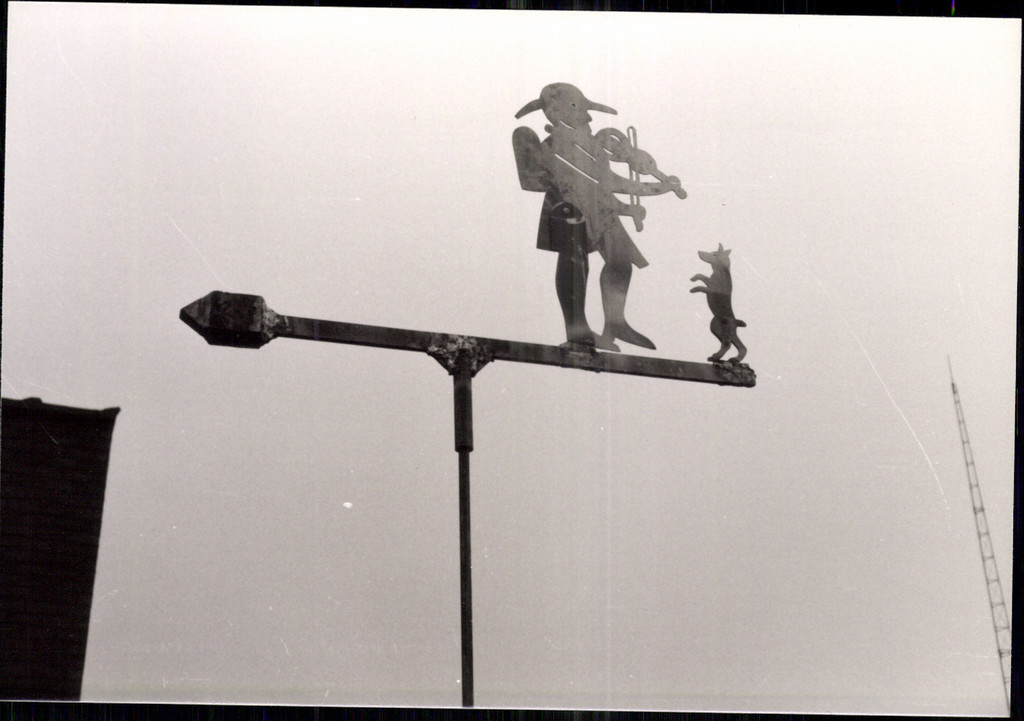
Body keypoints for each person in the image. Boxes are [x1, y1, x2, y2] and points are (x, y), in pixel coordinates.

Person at [513, 83, 686, 351]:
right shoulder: (556, 146)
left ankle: (616, 322)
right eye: (576, 107)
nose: (588, 116)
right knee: (576, 260)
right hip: (569, 211)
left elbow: (608, 183)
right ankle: (577, 328)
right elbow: (586, 184)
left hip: (599, 211)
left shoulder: (591, 147)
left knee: (621, 261)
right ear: (556, 112)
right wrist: (630, 204)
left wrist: (659, 188)